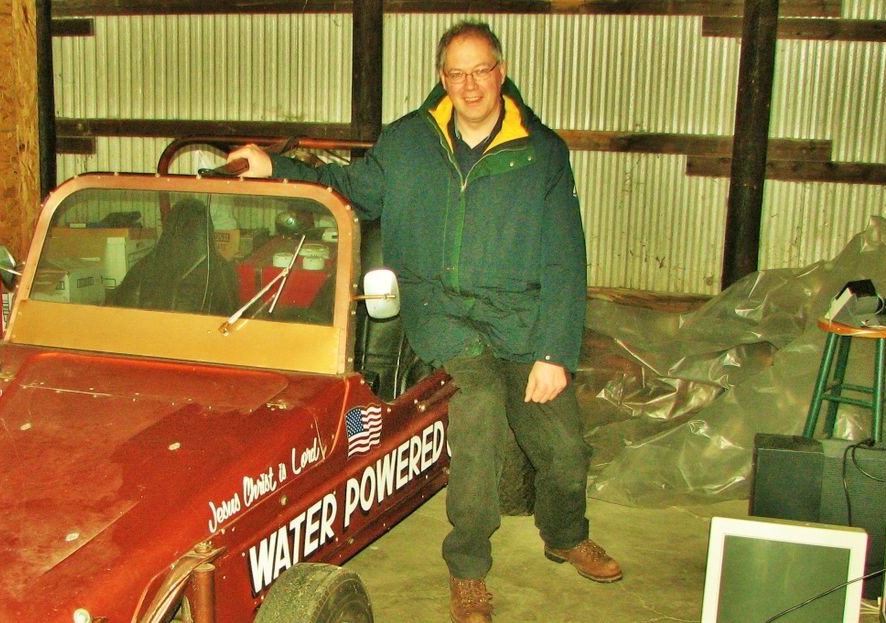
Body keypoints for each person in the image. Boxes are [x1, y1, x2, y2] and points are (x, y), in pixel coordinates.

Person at [228, 20, 621, 623]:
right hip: (443, 314)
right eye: (456, 73)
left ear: (501, 72)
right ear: (442, 77)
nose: (469, 86)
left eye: (480, 70)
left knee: (565, 447)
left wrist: (555, 352)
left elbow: (566, 257)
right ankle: (468, 570)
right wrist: (275, 165)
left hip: (522, 318)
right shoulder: (409, 142)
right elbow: (350, 188)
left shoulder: (541, 153)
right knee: (480, 414)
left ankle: (565, 533)